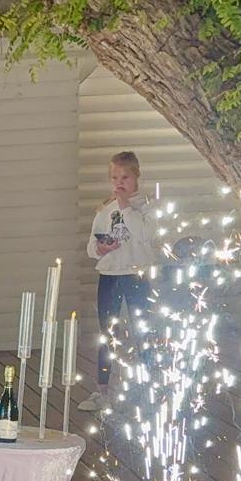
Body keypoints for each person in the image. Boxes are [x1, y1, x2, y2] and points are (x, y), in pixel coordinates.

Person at [78, 151, 155, 412]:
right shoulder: (104, 211)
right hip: (110, 277)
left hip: (136, 276)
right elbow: (91, 245)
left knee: (142, 331)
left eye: (125, 178)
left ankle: (148, 389)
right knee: (107, 333)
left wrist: (125, 207)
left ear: (136, 178)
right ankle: (103, 391)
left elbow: (145, 235)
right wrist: (100, 249)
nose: (119, 183)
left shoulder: (146, 208)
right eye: (115, 178)